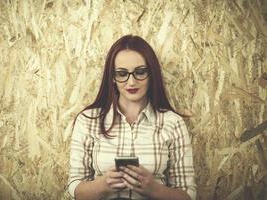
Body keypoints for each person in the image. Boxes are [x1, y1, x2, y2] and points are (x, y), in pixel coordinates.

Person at [67, 35, 197, 200]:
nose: (131, 82)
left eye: (140, 72)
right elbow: (75, 189)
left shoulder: (172, 123)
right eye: (122, 74)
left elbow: (188, 195)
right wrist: (103, 185)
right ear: (113, 77)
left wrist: (154, 189)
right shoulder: (88, 120)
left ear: (152, 74)